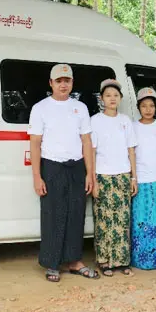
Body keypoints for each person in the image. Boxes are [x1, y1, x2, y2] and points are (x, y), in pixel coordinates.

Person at [28, 63, 99, 282]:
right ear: (51, 83)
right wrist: (37, 176)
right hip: (52, 167)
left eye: (67, 81)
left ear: (72, 83)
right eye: (59, 81)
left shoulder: (81, 108)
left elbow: (86, 141)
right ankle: (52, 263)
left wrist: (90, 174)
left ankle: (75, 261)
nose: (63, 84)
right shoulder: (40, 108)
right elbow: (35, 143)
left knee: (76, 214)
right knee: (53, 215)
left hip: (76, 167)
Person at [91, 79, 138, 276]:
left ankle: (121, 261)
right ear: (102, 98)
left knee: (122, 219)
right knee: (104, 220)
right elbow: (91, 151)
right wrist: (92, 179)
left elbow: (131, 151)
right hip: (102, 175)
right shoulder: (95, 120)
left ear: (120, 99)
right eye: (108, 95)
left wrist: (133, 178)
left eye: (115, 96)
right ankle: (105, 261)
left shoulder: (125, 121)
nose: (112, 99)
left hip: (122, 176)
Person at [131, 88, 156, 270]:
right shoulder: (132, 126)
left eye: (151, 105)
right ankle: (138, 259)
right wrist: (133, 178)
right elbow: (130, 154)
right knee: (139, 220)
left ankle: (153, 260)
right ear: (138, 107)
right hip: (139, 181)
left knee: (155, 221)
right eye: (144, 106)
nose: (148, 109)